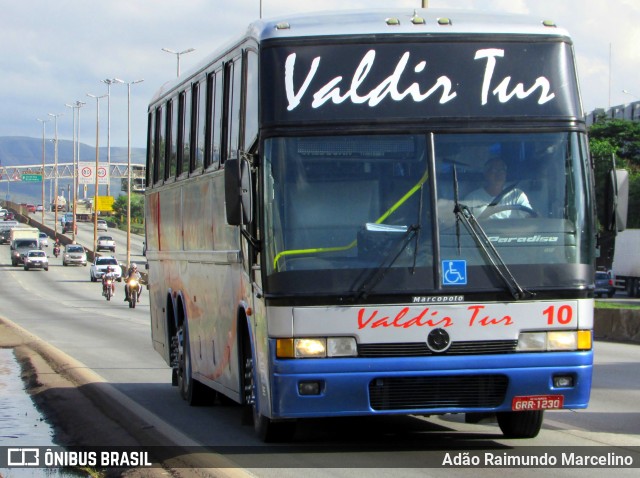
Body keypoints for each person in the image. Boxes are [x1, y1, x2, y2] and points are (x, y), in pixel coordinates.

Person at [464, 158, 532, 219]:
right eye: (494, 170)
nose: (498, 174)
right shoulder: (472, 198)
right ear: (486, 174)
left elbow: (530, 218)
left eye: (501, 170)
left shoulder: (517, 195)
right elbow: (463, 225)